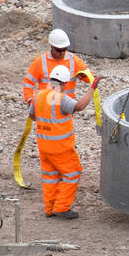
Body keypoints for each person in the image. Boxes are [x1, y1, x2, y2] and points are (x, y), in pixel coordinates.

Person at [30, 64, 99, 219]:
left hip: (43, 146)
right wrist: (92, 89)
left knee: (50, 176)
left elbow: (33, 116)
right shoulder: (62, 99)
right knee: (73, 174)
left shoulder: (38, 96)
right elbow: (79, 106)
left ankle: (50, 208)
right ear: (64, 83)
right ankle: (61, 207)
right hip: (60, 147)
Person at [23, 29, 90, 105]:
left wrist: (84, 76)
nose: (62, 53)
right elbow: (28, 82)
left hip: (65, 107)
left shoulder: (74, 60)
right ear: (52, 46)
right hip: (46, 106)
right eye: (58, 50)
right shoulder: (40, 62)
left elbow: (89, 77)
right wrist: (29, 99)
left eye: (64, 49)